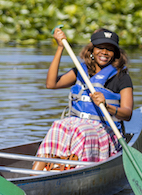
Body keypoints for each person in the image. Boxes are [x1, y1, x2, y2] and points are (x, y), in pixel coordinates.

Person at [32, 27, 133, 171]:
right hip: (76, 123)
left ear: (115, 54)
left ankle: (73, 170)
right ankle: (34, 174)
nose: (104, 52)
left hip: (105, 129)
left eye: (109, 49)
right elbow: (51, 84)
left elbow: (127, 114)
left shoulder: (121, 77)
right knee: (58, 126)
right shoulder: (80, 71)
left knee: (82, 131)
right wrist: (60, 47)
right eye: (100, 47)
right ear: (91, 50)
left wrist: (107, 106)